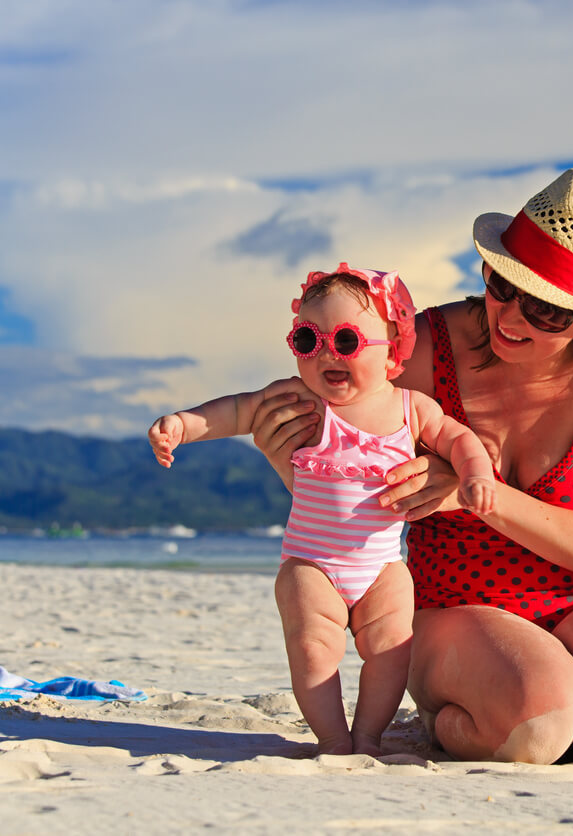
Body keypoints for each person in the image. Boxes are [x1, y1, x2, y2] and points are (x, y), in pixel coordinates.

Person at [251, 169, 573, 770]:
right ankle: (529, 708)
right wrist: (290, 457)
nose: (511, 318)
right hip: (453, 605)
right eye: (502, 284)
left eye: (546, 311)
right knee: (537, 720)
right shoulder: (419, 348)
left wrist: (473, 492)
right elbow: (342, 494)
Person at [149, 264, 496, 757]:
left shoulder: (411, 408)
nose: (328, 354)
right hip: (311, 564)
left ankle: (368, 737)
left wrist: (476, 475)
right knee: (313, 648)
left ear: (393, 351)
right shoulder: (302, 400)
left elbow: (459, 439)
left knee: (393, 649)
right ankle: (333, 738)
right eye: (309, 340)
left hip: (382, 567)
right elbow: (239, 410)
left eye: (348, 341)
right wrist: (182, 425)